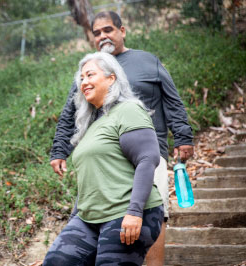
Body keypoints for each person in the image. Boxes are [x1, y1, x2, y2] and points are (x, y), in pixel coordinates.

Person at [50, 11, 194, 266]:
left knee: (152, 212)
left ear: (122, 31)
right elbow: (70, 113)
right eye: (97, 33)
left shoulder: (147, 61)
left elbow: (172, 101)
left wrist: (182, 136)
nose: (103, 36)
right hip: (106, 157)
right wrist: (59, 150)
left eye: (108, 30)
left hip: (148, 152)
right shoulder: (89, 71)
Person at [43, 52, 164, 266]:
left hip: (126, 212)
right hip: (89, 218)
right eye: (81, 78)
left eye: (90, 75)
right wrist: (72, 224)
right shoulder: (90, 124)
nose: (84, 82)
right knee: (56, 262)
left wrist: (135, 212)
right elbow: (90, 182)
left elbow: (148, 159)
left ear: (112, 78)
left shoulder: (128, 109)